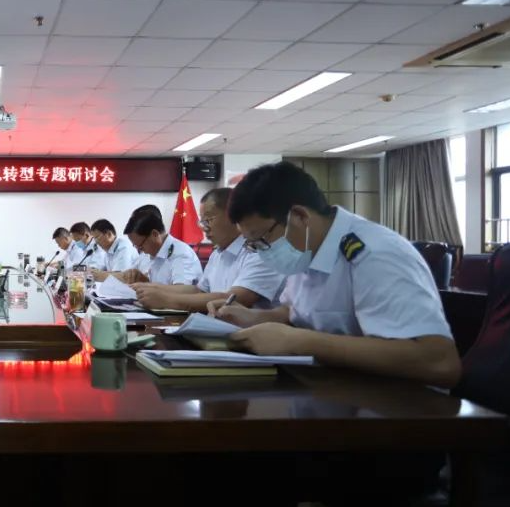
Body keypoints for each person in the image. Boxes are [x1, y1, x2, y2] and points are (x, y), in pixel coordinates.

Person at [208, 161, 460, 387]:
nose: (263, 251)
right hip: (330, 389)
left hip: (400, 407)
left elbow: (438, 362)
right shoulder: (305, 249)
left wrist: (299, 342)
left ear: (300, 216)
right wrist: (253, 318)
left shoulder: (375, 253)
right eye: (253, 245)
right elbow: (295, 313)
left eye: (262, 239)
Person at [131, 188, 284, 312]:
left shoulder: (260, 251)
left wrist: (167, 300)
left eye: (209, 220)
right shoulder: (218, 253)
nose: (204, 227)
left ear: (232, 215)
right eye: (202, 221)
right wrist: (150, 288)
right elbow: (199, 291)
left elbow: (235, 299)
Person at [125, 212, 202, 287]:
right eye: (135, 246)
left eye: (140, 246)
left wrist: (148, 286)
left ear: (155, 234)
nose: (139, 250)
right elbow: (125, 276)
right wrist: (135, 277)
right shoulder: (146, 254)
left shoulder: (181, 254)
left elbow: (183, 291)